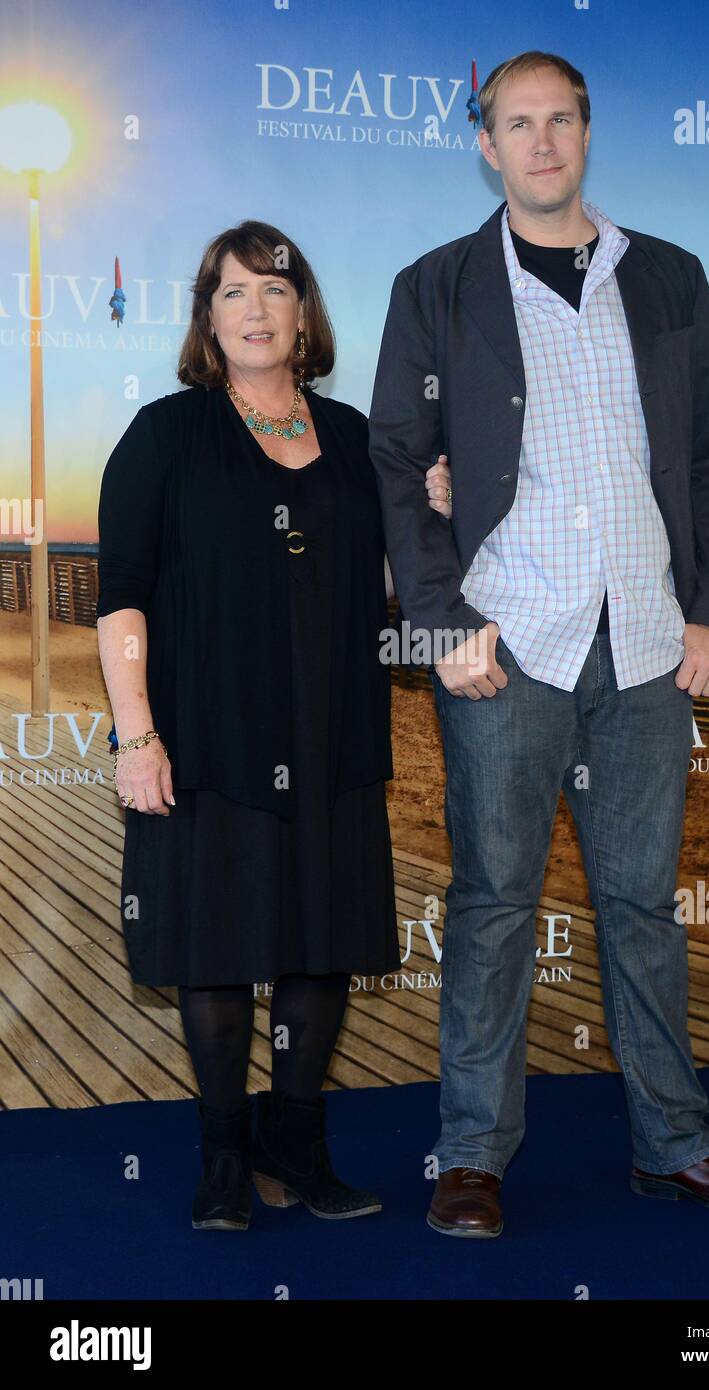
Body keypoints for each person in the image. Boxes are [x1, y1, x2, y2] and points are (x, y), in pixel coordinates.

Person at [369, 52, 709, 1237]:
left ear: (585, 132)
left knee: (642, 907)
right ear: (485, 145)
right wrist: (441, 621)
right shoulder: (434, 285)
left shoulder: (668, 278)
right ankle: (468, 1157)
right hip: (507, 642)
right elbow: (400, 466)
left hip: (651, 640)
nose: (541, 141)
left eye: (560, 119)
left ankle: (676, 1144)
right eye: (518, 123)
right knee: (495, 902)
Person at [96, 219, 450, 1231]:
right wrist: (136, 734)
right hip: (204, 736)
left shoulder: (351, 441)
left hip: (328, 728)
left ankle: (296, 1141)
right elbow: (121, 597)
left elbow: (381, 587)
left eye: (275, 291)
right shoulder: (167, 433)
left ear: (305, 315)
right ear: (209, 319)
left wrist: (430, 510)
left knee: (316, 945)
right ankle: (222, 1153)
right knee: (211, 947)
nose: (256, 309)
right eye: (233, 292)